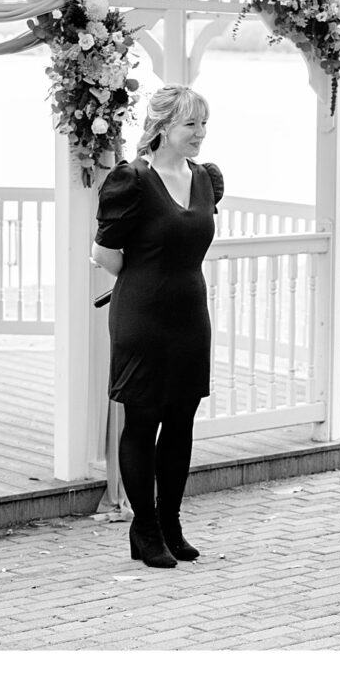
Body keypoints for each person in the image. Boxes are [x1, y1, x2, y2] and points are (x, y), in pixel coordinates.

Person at [91, 84, 222, 567]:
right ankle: (143, 528)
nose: (200, 134)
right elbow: (105, 254)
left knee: (182, 421)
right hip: (142, 317)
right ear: (162, 128)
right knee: (143, 420)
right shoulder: (131, 180)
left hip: (191, 314)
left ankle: (171, 522)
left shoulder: (206, 178)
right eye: (191, 124)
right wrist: (147, 281)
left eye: (204, 124)